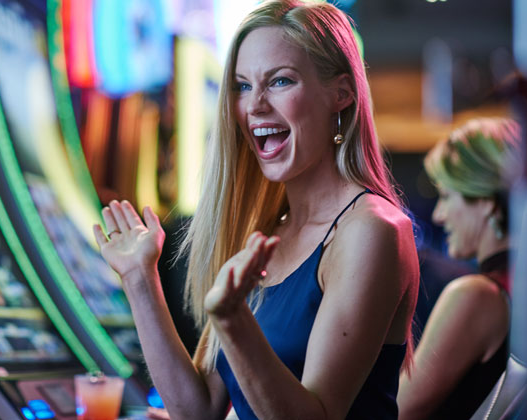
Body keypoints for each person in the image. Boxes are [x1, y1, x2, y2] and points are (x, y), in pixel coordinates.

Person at [94, 1, 419, 418]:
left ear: (341, 94)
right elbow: (198, 411)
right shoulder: (266, 230)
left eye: (280, 81)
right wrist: (140, 278)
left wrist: (234, 322)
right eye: (243, 86)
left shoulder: (372, 230)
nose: (255, 106)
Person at [397, 118, 521, 419]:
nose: (438, 215)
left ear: (487, 202)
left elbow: (396, 411)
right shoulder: (517, 284)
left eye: (447, 196)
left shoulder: (476, 295)